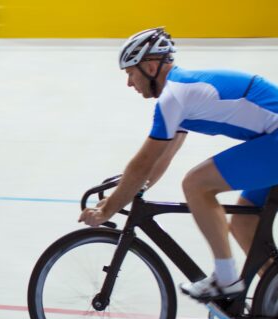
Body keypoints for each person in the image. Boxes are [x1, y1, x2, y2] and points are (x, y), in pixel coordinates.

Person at [79, 27, 278, 300]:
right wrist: (134, 190)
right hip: (270, 141)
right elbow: (161, 158)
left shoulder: (175, 96)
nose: (129, 83)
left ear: (150, 66)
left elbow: (143, 161)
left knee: (196, 183)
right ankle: (274, 302)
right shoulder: (181, 95)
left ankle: (226, 279)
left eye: (130, 73)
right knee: (244, 224)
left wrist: (109, 209)